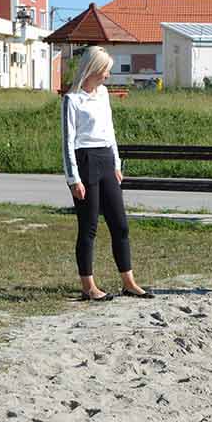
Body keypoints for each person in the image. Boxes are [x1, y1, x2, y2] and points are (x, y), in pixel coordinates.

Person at [61, 45, 152, 301]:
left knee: (120, 225)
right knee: (88, 227)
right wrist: (73, 178)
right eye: (105, 71)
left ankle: (129, 282)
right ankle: (88, 286)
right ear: (93, 70)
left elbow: (110, 131)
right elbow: (67, 142)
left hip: (106, 161)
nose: (108, 76)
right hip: (85, 161)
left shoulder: (103, 95)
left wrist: (117, 164)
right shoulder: (72, 100)